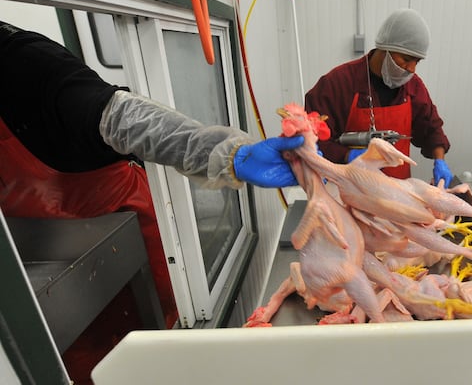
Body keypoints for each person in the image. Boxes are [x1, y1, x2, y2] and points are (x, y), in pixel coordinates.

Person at [0, 20, 305, 384]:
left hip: (127, 227)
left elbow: (120, 117)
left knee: (166, 349)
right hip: (46, 261)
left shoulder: (20, 61)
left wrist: (228, 154)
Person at [304, 8, 454, 186]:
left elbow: (431, 127)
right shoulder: (338, 83)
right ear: (385, 49)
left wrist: (440, 160)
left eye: (417, 61)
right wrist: (347, 155)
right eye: (406, 59)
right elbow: (311, 138)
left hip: (398, 191)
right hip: (350, 191)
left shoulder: (413, 86)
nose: (411, 69)